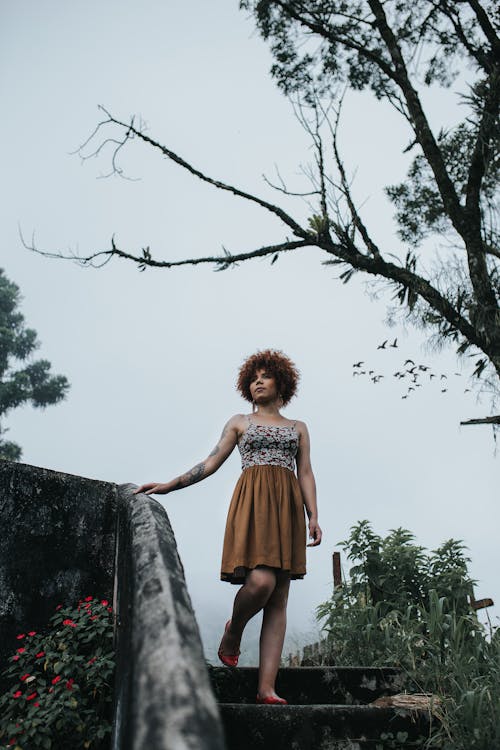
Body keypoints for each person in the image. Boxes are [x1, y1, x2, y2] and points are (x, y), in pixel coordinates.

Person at [134, 349, 322, 705]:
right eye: (253, 378)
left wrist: (313, 515)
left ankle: (267, 688)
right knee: (261, 582)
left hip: (287, 509)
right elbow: (210, 461)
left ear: (281, 382)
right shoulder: (240, 422)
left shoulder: (299, 428)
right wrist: (170, 484)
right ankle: (233, 630)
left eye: (265, 376)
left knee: (279, 597)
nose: (258, 382)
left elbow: (306, 472)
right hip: (254, 506)